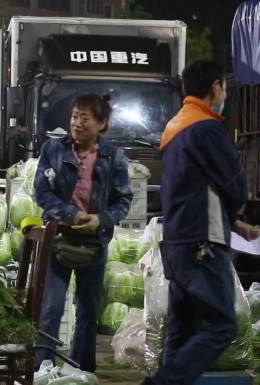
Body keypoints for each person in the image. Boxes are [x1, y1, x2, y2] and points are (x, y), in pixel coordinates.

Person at [143, 60, 259, 385]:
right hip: (202, 243)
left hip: (177, 242)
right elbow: (234, 183)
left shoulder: (173, 128)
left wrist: (232, 222)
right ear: (216, 87)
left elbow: (194, 187)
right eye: (223, 86)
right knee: (223, 325)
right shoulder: (207, 127)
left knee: (182, 327)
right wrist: (237, 210)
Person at [33, 93, 133, 372]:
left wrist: (99, 220)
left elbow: (124, 201)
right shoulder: (53, 150)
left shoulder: (114, 157)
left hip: (95, 242)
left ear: (101, 124)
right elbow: (42, 191)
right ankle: (43, 369)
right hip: (58, 238)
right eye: (74, 116)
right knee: (51, 309)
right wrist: (71, 214)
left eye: (84, 118)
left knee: (88, 311)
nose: (76, 123)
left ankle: (82, 370)